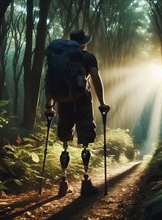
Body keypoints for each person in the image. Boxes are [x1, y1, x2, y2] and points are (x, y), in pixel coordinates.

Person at [45, 29, 110, 195]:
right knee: (85, 140)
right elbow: (95, 78)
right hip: (82, 100)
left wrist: (49, 106)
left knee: (65, 141)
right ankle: (86, 181)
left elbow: (50, 82)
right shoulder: (88, 57)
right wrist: (102, 103)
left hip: (64, 101)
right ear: (84, 42)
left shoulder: (59, 57)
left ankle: (63, 181)